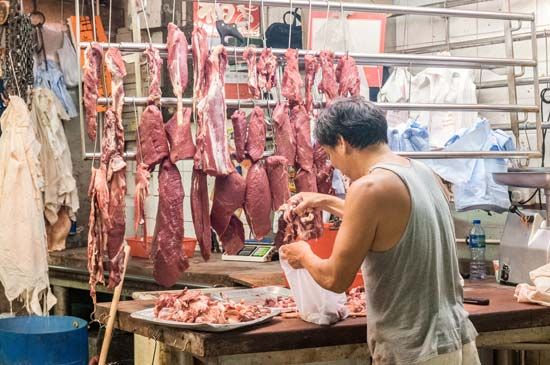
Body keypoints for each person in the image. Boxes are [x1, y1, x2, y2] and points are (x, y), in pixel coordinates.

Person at [280, 96, 480, 365]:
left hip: (414, 349)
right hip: (457, 342)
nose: (334, 164)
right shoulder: (423, 172)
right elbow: (389, 221)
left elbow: (335, 279)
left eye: (329, 154)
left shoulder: (368, 188)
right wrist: (324, 200)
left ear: (342, 142)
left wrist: (303, 254)